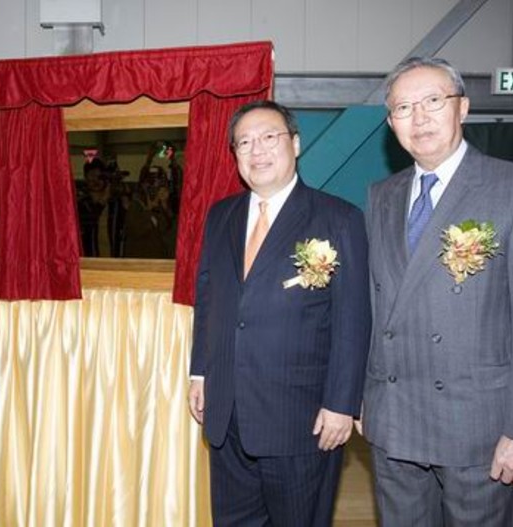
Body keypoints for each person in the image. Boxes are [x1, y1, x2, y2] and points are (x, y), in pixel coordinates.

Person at [361, 57, 513, 526]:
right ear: (391, 122)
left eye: (433, 101)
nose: (419, 118)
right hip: (394, 420)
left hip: (480, 427)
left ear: (463, 108)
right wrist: (364, 402)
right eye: (402, 108)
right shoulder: (382, 195)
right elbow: (374, 309)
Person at [188, 100, 371, 526]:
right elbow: (209, 298)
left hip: (301, 421)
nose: (257, 151)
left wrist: (342, 404)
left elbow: (354, 320)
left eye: (269, 137)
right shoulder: (221, 216)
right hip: (227, 414)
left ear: (296, 143)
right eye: (244, 143)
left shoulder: (339, 219)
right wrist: (200, 372)